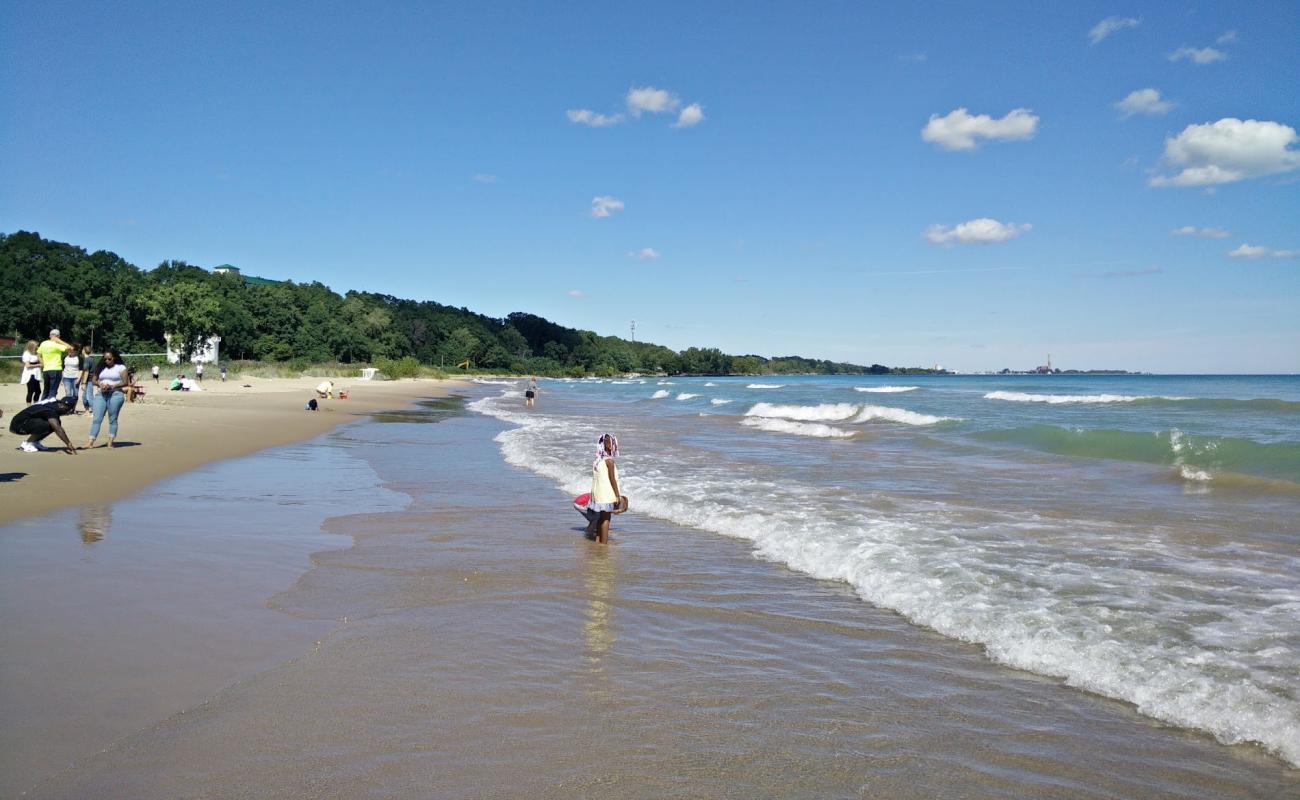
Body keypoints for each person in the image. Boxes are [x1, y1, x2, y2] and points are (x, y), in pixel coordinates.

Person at [87, 348, 130, 449]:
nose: (107, 361)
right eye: (105, 359)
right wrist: (100, 384)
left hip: (115, 394)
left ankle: (110, 442)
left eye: (109, 359)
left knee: (112, 419)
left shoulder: (121, 367)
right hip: (101, 393)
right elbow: (94, 380)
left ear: (114, 358)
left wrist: (112, 386)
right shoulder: (101, 367)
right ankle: (90, 442)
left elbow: (125, 382)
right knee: (97, 418)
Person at [9, 396, 78, 454]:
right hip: (17, 426)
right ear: (63, 406)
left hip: (23, 422)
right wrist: (68, 443)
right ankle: (27, 444)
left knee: (55, 423)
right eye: (68, 409)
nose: (68, 412)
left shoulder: (55, 404)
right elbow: (57, 428)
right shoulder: (51, 410)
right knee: (51, 425)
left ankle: (34, 441)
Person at [588, 433, 624, 544]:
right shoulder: (610, 462)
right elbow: (612, 480)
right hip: (606, 494)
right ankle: (603, 544)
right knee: (606, 518)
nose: (612, 445)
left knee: (601, 517)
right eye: (611, 443)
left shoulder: (598, 460)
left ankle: (598, 539)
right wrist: (618, 495)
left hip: (598, 493)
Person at [37, 329, 71, 401]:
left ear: (50, 335)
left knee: (46, 390)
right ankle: (50, 406)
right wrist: (59, 341)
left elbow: (38, 355)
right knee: (53, 390)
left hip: (46, 369)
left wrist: (43, 364)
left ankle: (42, 406)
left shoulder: (43, 343)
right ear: (58, 336)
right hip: (56, 369)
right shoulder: (57, 345)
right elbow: (70, 348)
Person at [78, 346, 97, 413]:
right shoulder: (91, 359)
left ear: (83, 351)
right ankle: (87, 411)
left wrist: (83, 383)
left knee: (89, 397)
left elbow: (86, 372)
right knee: (84, 397)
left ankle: (96, 412)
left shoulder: (87, 360)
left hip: (88, 381)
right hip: (89, 380)